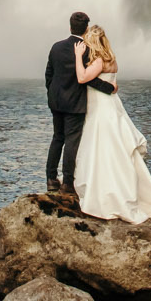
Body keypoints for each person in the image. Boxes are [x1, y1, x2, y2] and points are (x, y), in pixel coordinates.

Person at [71, 24, 151, 223]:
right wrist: (111, 87)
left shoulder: (99, 61)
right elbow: (104, 83)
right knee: (114, 147)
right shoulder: (112, 60)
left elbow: (82, 77)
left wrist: (78, 56)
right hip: (111, 106)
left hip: (101, 109)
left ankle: (107, 191)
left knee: (102, 147)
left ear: (92, 42)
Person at [43, 10, 112, 194]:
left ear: (70, 27)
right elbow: (88, 78)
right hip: (75, 103)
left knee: (57, 138)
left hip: (56, 101)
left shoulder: (56, 47)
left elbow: (49, 74)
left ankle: (50, 179)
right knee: (72, 142)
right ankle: (67, 183)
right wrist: (109, 88)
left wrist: (52, 92)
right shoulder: (88, 50)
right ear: (86, 28)